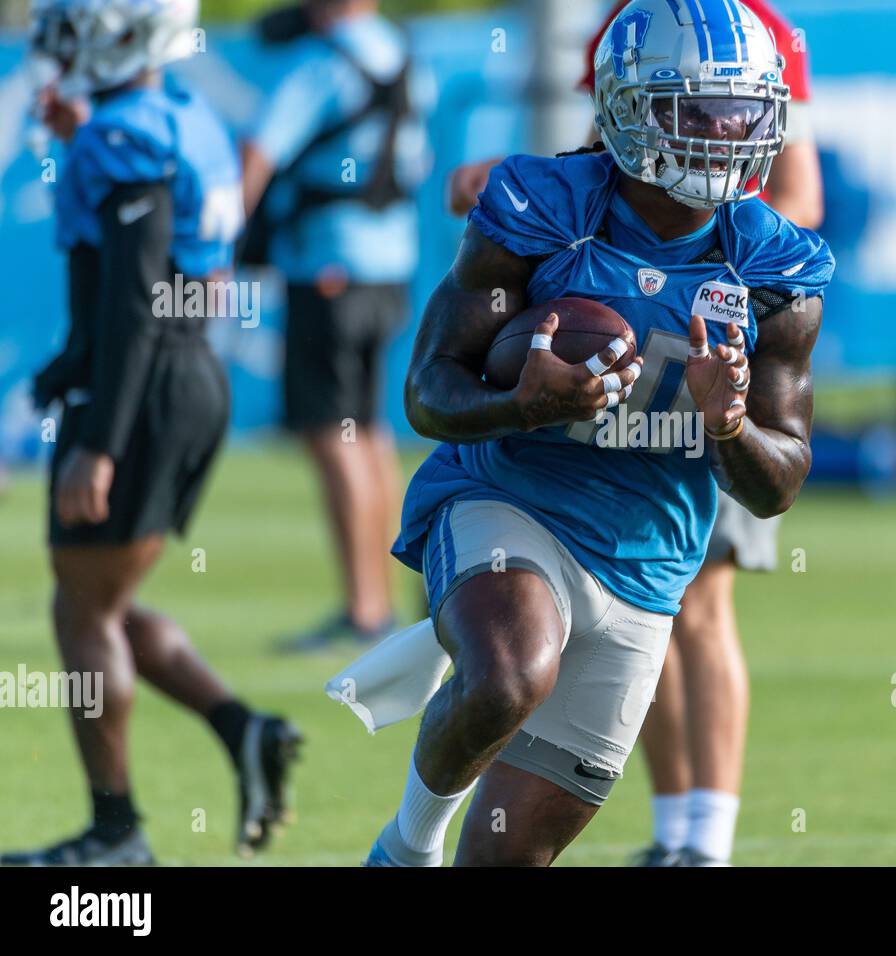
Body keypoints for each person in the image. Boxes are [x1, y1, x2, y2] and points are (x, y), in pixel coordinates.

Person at [362, 0, 833, 867]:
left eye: (745, 112)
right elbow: (429, 391)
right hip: (509, 498)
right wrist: (524, 405)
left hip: (647, 557)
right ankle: (405, 850)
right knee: (507, 673)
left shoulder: (777, 268)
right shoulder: (540, 207)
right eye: (698, 111)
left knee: (508, 856)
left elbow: (781, 481)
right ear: (627, 106)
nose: (725, 134)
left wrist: (727, 424)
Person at [3, 0, 300, 866]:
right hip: (184, 372)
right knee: (107, 604)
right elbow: (166, 276)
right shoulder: (183, 118)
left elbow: (134, 300)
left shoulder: (120, 138)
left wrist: (99, 438)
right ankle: (245, 729)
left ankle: (115, 834)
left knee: (81, 609)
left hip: (140, 384)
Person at [240, 0, 427, 649]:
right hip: (388, 268)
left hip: (327, 265)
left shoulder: (320, 64)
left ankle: (365, 609)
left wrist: (209, 257)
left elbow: (257, 155)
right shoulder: (402, 53)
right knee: (367, 431)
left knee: (332, 434)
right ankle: (385, 599)